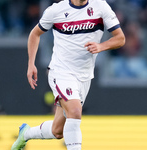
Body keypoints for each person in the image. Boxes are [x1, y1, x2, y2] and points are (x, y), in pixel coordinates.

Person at [11, 0, 125, 150]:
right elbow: (35, 34)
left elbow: (120, 38)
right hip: (61, 72)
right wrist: (31, 64)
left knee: (58, 131)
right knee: (75, 111)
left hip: (84, 76)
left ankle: (25, 134)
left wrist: (101, 46)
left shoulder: (101, 6)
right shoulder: (56, 10)